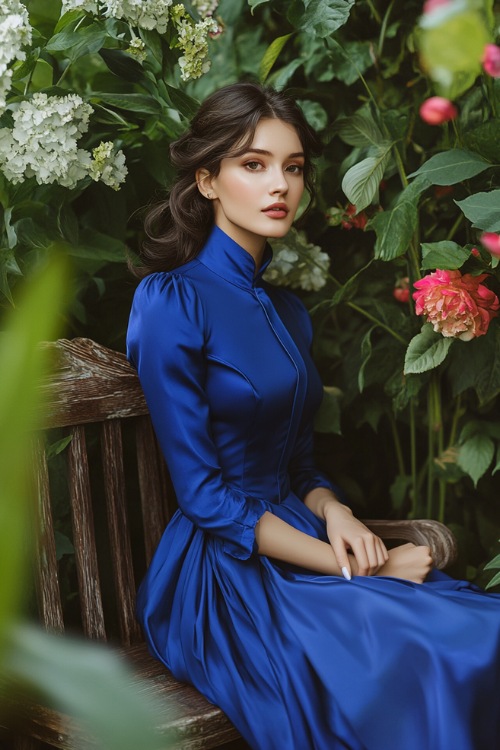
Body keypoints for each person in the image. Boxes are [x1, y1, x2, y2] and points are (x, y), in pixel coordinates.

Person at [127, 82, 500, 750]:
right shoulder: (170, 301)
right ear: (207, 180)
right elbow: (204, 496)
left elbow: (297, 463)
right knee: (428, 651)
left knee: (479, 627)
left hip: (306, 536)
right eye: (254, 164)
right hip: (222, 572)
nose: (280, 185)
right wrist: (363, 568)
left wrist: (337, 512)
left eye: (293, 167)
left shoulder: (289, 312)